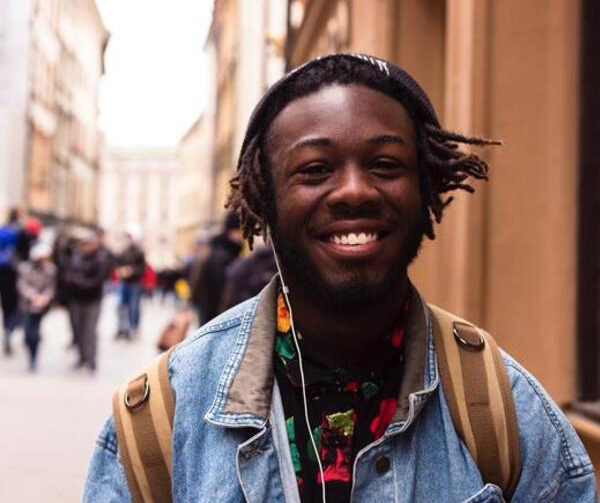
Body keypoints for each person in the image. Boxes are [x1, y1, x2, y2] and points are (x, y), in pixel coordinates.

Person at [84, 54, 596, 501]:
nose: (354, 190)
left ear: (426, 189)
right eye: (315, 169)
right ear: (264, 201)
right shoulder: (161, 423)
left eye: (385, 164)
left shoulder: (504, 414)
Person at [62, 230, 107, 373]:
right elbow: (68, 272)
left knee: (90, 331)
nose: (83, 247)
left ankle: (91, 361)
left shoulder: (100, 258)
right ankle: (81, 358)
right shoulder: (76, 257)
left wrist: (79, 281)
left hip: (92, 300)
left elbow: (98, 280)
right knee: (78, 330)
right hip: (76, 299)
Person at [190, 211, 243, 324]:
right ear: (233, 231)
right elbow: (222, 291)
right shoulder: (224, 255)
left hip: (207, 311)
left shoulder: (215, 249)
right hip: (216, 315)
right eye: (240, 231)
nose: (242, 236)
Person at [17, 242, 56, 371]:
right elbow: (22, 285)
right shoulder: (25, 268)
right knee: (27, 333)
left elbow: (50, 287)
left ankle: (34, 358)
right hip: (27, 304)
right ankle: (30, 351)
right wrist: (33, 296)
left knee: (35, 332)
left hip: (41, 305)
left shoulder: (50, 270)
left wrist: (44, 297)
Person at [114, 226, 146, 339]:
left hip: (134, 283)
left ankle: (133, 328)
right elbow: (117, 264)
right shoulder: (123, 250)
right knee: (120, 306)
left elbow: (142, 268)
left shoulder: (139, 251)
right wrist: (119, 270)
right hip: (123, 282)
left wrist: (131, 270)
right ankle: (122, 328)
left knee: (133, 307)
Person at [0, 208, 23, 355]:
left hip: (3, 273)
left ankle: (7, 331)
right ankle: (9, 330)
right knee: (13, 306)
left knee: (6, 305)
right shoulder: (19, 232)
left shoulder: (2, 230)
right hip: (15, 274)